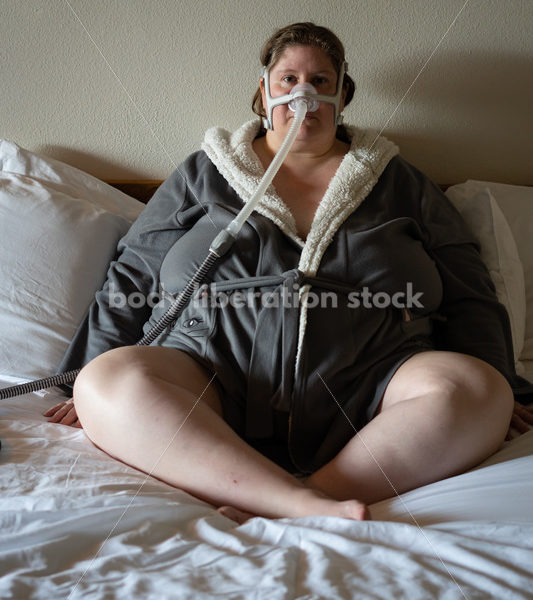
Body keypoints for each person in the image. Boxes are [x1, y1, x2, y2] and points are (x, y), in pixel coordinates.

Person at [45, 22, 533, 524]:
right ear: (265, 91)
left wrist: (505, 385)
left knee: (480, 391)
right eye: (289, 78)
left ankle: (301, 495)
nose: (306, 92)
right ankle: (299, 502)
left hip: (374, 386)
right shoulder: (202, 174)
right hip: (210, 375)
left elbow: (468, 287)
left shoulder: (400, 182)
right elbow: (133, 273)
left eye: (322, 81)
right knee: (108, 381)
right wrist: (84, 372)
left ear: (343, 95)